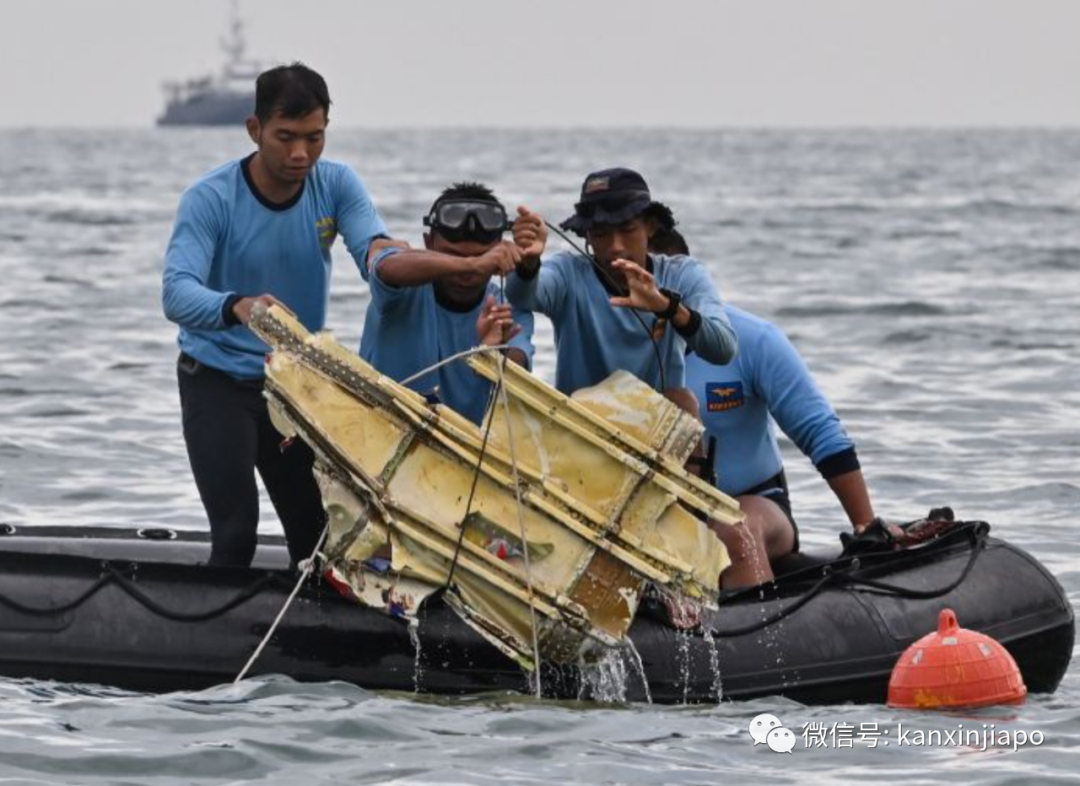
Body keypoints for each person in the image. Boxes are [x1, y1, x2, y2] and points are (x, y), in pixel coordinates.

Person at [162, 63, 395, 568]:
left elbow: (373, 252)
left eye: (314, 138)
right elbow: (176, 295)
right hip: (216, 382)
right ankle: (220, 643)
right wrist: (237, 305)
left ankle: (306, 644)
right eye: (285, 137)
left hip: (292, 387)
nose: (300, 154)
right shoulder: (210, 198)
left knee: (319, 542)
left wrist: (445, 265)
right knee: (236, 534)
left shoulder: (334, 185)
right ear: (254, 130)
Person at [647, 207, 877, 589]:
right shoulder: (615, 352)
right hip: (653, 514)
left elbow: (821, 434)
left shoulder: (754, 339)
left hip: (754, 504)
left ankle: (764, 641)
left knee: (734, 531)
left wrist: (865, 525)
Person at [506, 168, 737, 402]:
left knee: (684, 401)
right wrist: (529, 262)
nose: (615, 246)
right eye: (600, 233)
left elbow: (723, 348)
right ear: (586, 235)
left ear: (651, 227)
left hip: (658, 428)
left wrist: (668, 307)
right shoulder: (568, 273)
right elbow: (523, 296)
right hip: (581, 426)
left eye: (627, 229)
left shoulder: (683, 274)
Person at [359, 182, 535, 423]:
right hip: (378, 432)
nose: (467, 273)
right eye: (453, 255)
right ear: (428, 243)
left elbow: (520, 367)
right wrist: (475, 264)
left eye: (481, 255)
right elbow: (384, 266)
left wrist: (492, 356)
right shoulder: (400, 289)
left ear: (499, 250)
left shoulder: (506, 307)